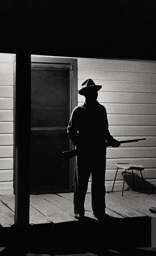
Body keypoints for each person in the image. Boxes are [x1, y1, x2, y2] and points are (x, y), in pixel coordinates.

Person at [67, 79, 120, 220]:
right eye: (91, 92)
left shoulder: (101, 110)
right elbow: (71, 130)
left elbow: (105, 131)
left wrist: (111, 141)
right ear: (85, 94)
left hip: (99, 151)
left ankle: (99, 211)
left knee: (98, 183)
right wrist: (79, 144)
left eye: (95, 92)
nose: (94, 94)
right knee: (81, 183)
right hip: (84, 152)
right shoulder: (78, 111)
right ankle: (78, 210)